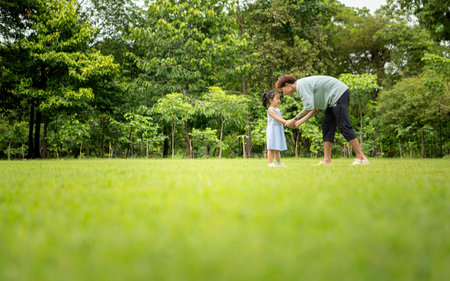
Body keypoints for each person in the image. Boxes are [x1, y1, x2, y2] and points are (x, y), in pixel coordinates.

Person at [276, 75, 369, 166]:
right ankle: (327, 160)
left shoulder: (301, 86)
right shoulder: (303, 86)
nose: (284, 94)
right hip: (332, 101)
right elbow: (314, 109)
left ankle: (361, 158)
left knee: (344, 126)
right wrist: (298, 122)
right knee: (327, 127)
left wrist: (293, 120)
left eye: (282, 90)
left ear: (287, 85)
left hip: (338, 94)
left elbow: (308, 107)